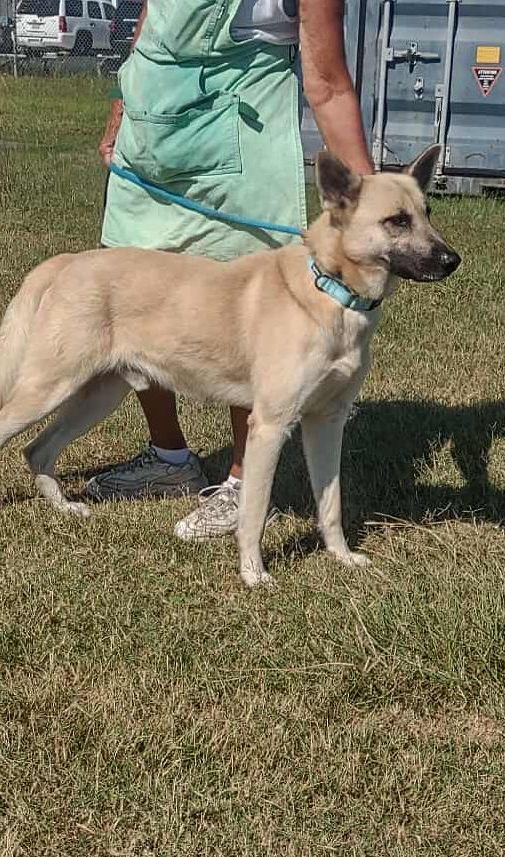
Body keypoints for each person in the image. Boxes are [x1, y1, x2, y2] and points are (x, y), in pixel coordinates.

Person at [90, 0, 375, 540]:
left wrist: (373, 200)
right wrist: (122, 107)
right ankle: (169, 457)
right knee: (137, 297)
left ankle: (245, 485)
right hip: (154, 128)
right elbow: (151, 22)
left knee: (251, 310)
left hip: (241, 137)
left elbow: (329, 85)